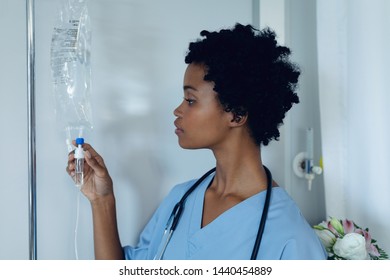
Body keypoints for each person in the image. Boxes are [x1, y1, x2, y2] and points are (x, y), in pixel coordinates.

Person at [66, 23, 327, 260]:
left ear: (236, 114)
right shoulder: (181, 199)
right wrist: (102, 200)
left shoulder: (288, 235)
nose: (177, 111)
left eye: (190, 101)